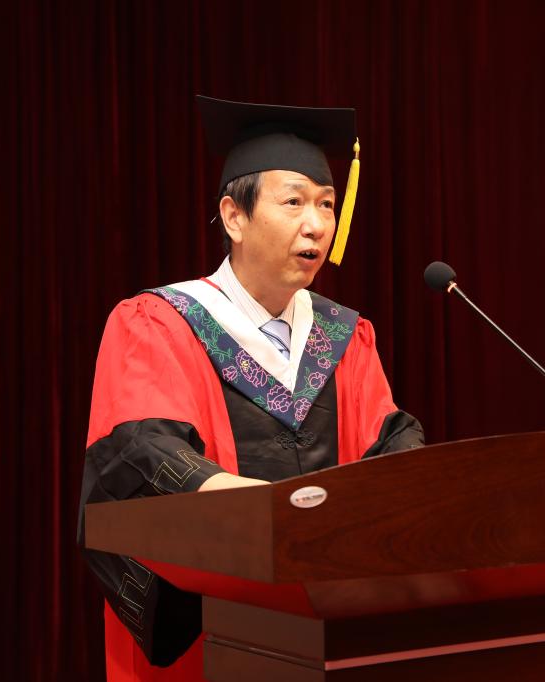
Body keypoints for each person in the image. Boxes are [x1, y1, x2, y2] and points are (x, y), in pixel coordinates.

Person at [76, 96, 424, 682]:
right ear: (234, 217)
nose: (317, 223)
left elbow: (387, 444)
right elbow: (141, 451)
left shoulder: (345, 337)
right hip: (212, 633)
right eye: (294, 202)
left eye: (327, 203)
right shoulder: (159, 322)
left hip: (332, 632)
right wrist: (264, 513)